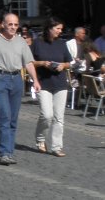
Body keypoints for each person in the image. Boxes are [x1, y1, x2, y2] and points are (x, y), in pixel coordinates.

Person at [0, 12, 40, 165]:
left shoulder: (21, 42)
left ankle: (9, 152)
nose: (13, 27)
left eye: (15, 24)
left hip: (17, 79)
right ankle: (4, 152)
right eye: (10, 24)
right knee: (4, 115)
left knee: (13, 118)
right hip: (0, 78)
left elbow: (29, 63)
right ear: (3, 25)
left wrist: (35, 80)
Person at [30, 17, 73, 157]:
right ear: (49, 28)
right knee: (47, 115)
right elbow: (29, 62)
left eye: (61, 29)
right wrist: (42, 63)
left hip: (60, 83)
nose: (60, 31)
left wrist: (62, 66)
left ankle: (56, 147)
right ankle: (40, 139)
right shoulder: (37, 43)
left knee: (59, 117)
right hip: (43, 83)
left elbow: (69, 63)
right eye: (58, 29)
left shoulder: (62, 44)